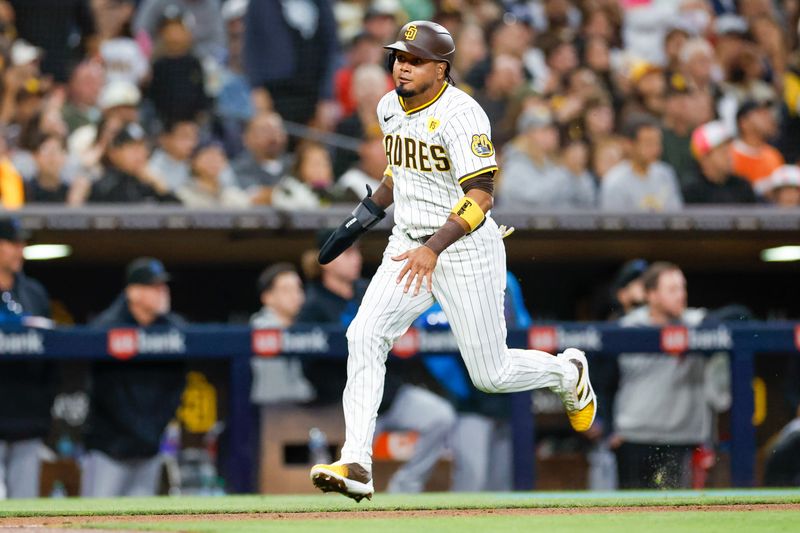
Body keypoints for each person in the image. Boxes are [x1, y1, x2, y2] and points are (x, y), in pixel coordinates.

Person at [309, 21, 596, 502]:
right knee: (363, 334)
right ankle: (357, 462)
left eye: (415, 59)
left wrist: (433, 248)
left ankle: (568, 373)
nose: (402, 65)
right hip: (409, 241)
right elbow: (398, 172)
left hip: (464, 248)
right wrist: (364, 216)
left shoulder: (464, 115)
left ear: (440, 69)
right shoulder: (387, 107)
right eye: (399, 56)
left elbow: (481, 195)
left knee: (491, 374)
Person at [298, 233, 456, 494]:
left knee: (441, 416)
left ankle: (405, 486)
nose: (356, 259)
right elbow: (309, 365)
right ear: (326, 261)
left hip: (391, 395)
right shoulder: (313, 304)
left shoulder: (369, 290)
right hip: (351, 405)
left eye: (357, 252)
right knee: (347, 467)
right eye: (348, 253)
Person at [612, 262, 730, 489]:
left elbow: (738, 315)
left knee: (681, 515)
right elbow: (604, 381)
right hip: (636, 436)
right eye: (672, 290)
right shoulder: (628, 327)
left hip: (681, 438)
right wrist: (608, 427)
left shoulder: (697, 322)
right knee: (629, 516)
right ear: (652, 295)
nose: (681, 295)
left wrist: (695, 334)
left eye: (682, 288)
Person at [82, 258, 186, 497]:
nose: (163, 292)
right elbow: (106, 392)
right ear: (134, 292)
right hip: (110, 449)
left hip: (149, 449)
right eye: (155, 287)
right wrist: (140, 430)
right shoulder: (107, 327)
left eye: (164, 286)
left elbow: (176, 387)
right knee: (95, 522)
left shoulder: (174, 329)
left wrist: (152, 431)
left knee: (140, 523)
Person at [0, 218, 54, 499]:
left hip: (26, 416)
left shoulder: (34, 292)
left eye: (22, 244)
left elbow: (52, 352)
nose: (20, 250)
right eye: (13, 244)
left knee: (24, 508)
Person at [249, 263, 313, 405]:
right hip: (272, 413)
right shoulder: (263, 328)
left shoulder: (299, 326)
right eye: (286, 290)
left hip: (293, 411)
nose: (295, 296)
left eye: (298, 289)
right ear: (267, 297)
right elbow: (275, 391)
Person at [600, 118, 683, 212]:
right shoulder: (615, 182)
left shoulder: (666, 174)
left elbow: (676, 215)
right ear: (629, 144)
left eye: (658, 143)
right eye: (648, 143)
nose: (656, 149)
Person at [89, 122, 178, 204]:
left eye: (142, 147)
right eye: (133, 148)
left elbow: (179, 216)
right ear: (114, 152)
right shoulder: (104, 186)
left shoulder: (149, 182)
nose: (140, 154)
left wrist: (162, 190)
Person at [684, 121, 756, 204]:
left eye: (730, 149)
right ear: (704, 158)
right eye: (723, 151)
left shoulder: (742, 186)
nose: (730, 156)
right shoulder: (692, 192)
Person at [731, 99, 784, 185]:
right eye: (760, 113)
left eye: (767, 113)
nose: (768, 117)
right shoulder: (730, 156)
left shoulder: (773, 156)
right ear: (743, 123)